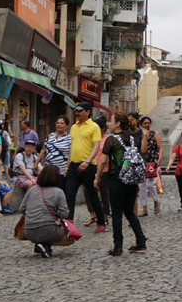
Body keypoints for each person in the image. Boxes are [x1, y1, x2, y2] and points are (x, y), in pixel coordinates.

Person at [96, 114, 148, 255]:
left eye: (111, 121)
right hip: (131, 179)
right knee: (130, 212)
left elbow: (102, 161)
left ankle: (118, 246)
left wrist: (97, 177)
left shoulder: (111, 140)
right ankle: (141, 241)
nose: (109, 124)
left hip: (116, 179)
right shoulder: (132, 138)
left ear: (118, 124)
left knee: (117, 213)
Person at [64, 103, 106, 233]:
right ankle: (68, 225)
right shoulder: (73, 127)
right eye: (76, 111)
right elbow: (72, 148)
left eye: (80, 111)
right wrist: (67, 165)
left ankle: (101, 221)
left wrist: (87, 161)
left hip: (88, 166)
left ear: (88, 112)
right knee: (69, 196)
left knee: (92, 195)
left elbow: (96, 146)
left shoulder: (94, 127)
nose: (77, 113)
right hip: (74, 166)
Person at [19, 165, 72, 258]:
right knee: (70, 237)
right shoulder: (58, 192)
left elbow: (22, 209)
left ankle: (39, 243)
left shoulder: (32, 190)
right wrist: (55, 215)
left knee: (42, 230)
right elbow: (65, 214)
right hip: (48, 230)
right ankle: (45, 245)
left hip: (29, 232)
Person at [138, 116, 161, 216]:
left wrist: (159, 159)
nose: (147, 125)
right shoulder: (139, 135)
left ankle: (155, 201)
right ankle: (144, 208)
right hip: (141, 162)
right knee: (142, 186)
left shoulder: (155, 134)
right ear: (141, 124)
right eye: (145, 123)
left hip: (152, 162)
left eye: (148, 123)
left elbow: (160, 148)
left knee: (150, 184)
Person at [165, 130, 182, 212]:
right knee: (181, 188)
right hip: (179, 170)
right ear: (181, 137)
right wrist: (168, 166)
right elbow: (173, 157)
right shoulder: (178, 148)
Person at [39, 115, 71, 181]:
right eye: (57, 123)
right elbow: (43, 150)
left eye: (61, 123)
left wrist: (67, 167)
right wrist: (36, 163)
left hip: (61, 170)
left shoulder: (69, 138)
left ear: (66, 126)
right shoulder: (51, 136)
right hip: (48, 170)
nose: (59, 125)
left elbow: (71, 154)